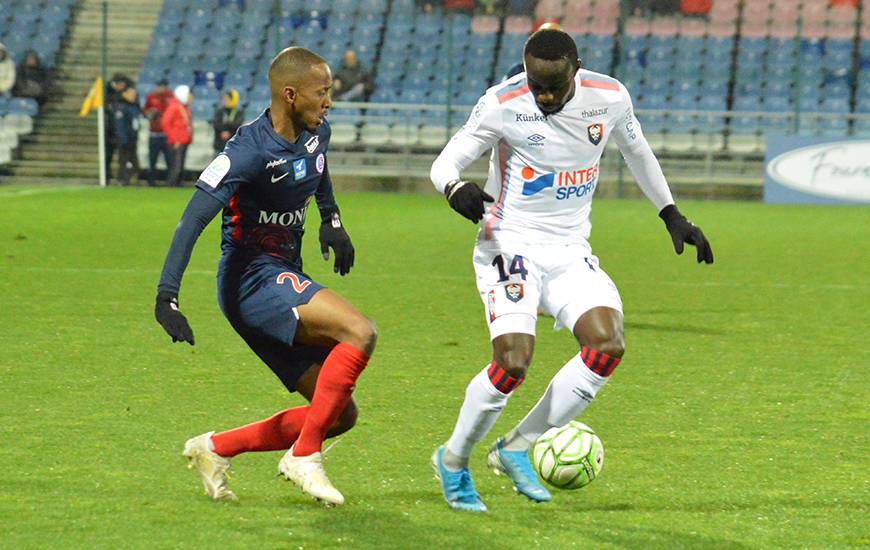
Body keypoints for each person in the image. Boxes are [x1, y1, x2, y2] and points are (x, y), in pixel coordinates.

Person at [429, 28, 713, 512]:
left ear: (576, 69)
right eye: (535, 84)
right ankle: (454, 460)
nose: (543, 96)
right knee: (513, 362)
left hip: (568, 247)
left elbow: (637, 152)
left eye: (553, 87)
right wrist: (456, 188)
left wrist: (671, 214)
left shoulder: (610, 97)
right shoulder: (502, 102)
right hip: (509, 242)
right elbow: (445, 163)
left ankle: (517, 446)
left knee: (606, 343)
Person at [154, 46, 375, 506]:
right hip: (250, 282)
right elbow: (193, 218)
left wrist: (331, 220)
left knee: (338, 413)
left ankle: (214, 449)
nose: (329, 102)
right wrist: (167, 296)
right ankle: (304, 457)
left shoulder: (317, 131)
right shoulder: (246, 152)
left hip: (280, 274)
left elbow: (318, 167)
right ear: (290, 95)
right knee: (359, 331)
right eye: (323, 93)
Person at [143, 79, 174, 187]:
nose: (160, 88)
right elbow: (145, 111)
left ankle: (171, 181)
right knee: (152, 159)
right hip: (154, 134)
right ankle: (151, 182)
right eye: (159, 86)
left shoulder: (171, 97)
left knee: (169, 160)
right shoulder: (151, 97)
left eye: (162, 86)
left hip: (166, 135)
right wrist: (151, 114)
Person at [162, 84, 193, 187]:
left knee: (180, 164)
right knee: (176, 165)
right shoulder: (174, 107)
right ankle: (172, 183)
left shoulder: (184, 107)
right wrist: (173, 139)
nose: (190, 97)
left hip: (183, 140)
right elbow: (165, 123)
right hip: (177, 141)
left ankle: (178, 182)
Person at [104, 73, 135, 177]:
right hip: (111, 130)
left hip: (123, 131)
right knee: (107, 155)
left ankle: (123, 177)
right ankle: (106, 175)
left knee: (124, 157)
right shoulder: (108, 92)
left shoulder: (127, 92)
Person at [113, 87, 141, 185]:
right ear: (124, 94)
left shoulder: (134, 106)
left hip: (133, 139)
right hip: (125, 140)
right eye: (131, 94)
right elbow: (120, 125)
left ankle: (128, 179)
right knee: (124, 161)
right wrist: (124, 139)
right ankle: (122, 179)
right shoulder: (121, 107)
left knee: (133, 162)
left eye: (134, 94)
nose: (134, 96)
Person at [212, 88, 244, 153]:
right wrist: (224, 130)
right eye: (224, 99)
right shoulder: (219, 110)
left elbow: (237, 125)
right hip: (219, 144)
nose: (225, 101)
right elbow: (216, 124)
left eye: (227, 99)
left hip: (233, 146)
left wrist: (227, 130)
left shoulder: (239, 112)